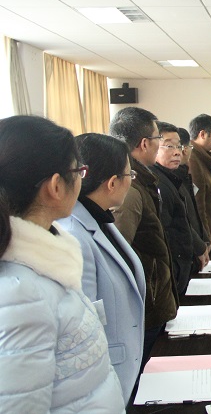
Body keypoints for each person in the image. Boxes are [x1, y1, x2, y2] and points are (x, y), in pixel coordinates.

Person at [0, 116, 123, 412]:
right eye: (78, 171)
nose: (81, 179)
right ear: (56, 186)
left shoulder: (44, 264)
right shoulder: (22, 294)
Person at [57, 133, 146, 404]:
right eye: (130, 174)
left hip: (123, 363)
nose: (132, 181)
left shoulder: (100, 219)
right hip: (103, 371)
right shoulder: (74, 233)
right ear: (112, 182)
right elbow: (85, 321)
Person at [110, 107, 178, 367]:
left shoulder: (141, 181)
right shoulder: (130, 189)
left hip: (152, 298)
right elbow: (119, 255)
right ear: (144, 143)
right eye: (159, 139)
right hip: (146, 304)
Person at [153, 122, 196, 295]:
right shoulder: (158, 183)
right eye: (169, 146)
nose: (178, 152)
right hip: (170, 272)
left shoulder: (171, 178)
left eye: (178, 146)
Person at [176, 127, 209, 275]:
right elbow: (183, 219)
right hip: (185, 255)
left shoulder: (183, 175)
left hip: (195, 246)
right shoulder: (173, 180)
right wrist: (200, 245)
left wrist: (204, 239)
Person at [189, 114, 211, 249]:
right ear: (202, 134)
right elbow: (199, 205)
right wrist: (206, 239)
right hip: (203, 239)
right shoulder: (193, 159)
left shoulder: (203, 157)